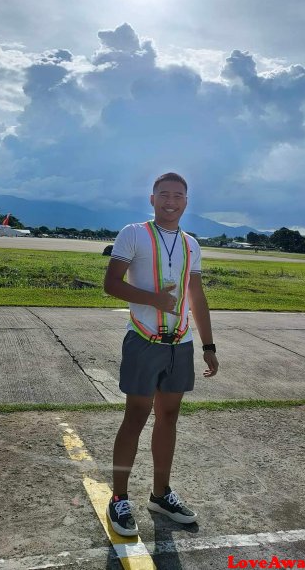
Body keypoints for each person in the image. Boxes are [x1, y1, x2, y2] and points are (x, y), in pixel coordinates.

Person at [103, 172, 218, 537]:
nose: (171, 201)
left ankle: (160, 493)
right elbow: (111, 284)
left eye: (179, 195)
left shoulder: (191, 244)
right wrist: (154, 299)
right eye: (164, 194)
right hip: (142, 339)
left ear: (187, 201)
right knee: (135, 415)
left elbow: (196, 296)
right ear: (152, 199)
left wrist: (209, 345)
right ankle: (119, 497)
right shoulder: (133, 233)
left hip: (180, 344)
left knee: (168, 416)